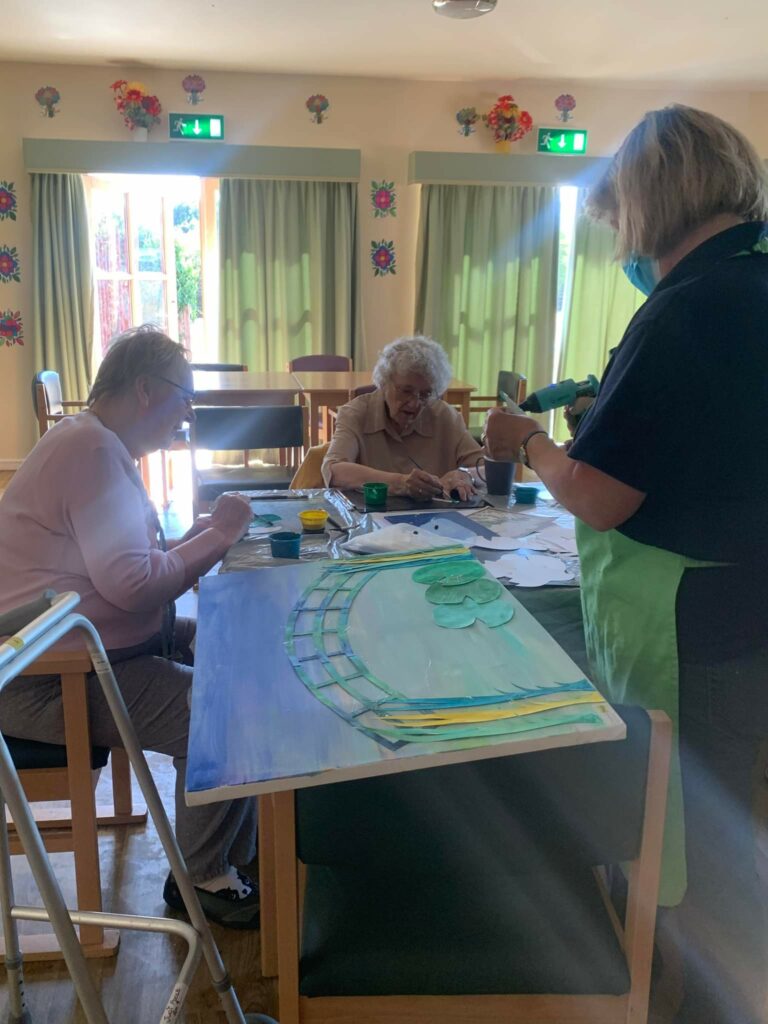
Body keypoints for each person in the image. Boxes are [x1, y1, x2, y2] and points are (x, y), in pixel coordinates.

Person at [485, 105, 768, 1024]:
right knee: (731, 813)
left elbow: (601, 496)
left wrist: (528, 443)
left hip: (694, 623)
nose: (623, 244)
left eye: (618, 221)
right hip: (750, 601)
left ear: (650, 199)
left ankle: (703, 1003)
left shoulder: (687, 307)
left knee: (694, 833)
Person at [0, 325, 261, 928]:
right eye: (184, 397)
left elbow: (121, 564)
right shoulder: (91, 450)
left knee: (236, 655)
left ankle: (235, 850)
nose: (188, 413)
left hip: (81, 652)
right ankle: (203, 876)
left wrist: (195, 538)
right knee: (226, 712)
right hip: (45, 678)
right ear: (145, 389)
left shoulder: (92, 441)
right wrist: (220, 536)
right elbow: (134, 585)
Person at [322, 335, 483, 501]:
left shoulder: (445, 416)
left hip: (436, 514)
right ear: (384, 383)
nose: (414, 404)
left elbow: (485, 469)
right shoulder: (356, 414)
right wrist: (401, 483)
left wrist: (466, 475)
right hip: (372, 513)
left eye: (425, 394)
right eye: (406, 391)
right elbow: (334, 471)